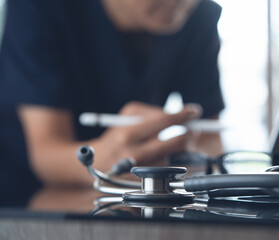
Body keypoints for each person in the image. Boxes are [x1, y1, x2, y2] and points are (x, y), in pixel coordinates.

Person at [0, 0, 224, 203]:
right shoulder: (38, 7)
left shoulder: (198, 15)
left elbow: (210, 138)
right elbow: (46, 153)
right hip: (27, 199)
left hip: (128, 197)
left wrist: (175, 166)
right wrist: (108, 161)